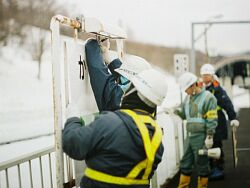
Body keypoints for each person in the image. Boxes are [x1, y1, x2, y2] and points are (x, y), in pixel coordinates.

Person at [62, 68, 168, 188]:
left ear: (135, 92)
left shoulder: (110, 122)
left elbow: (73, 143)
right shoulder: (156, 136)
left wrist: (72, 119)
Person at [176, 72, 218, 188]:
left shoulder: (208, 97)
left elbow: (212, 119)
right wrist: (174, 112)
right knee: (185, 163)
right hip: (189, 136)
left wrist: (209, 136)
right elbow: (185, 115)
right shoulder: (188, 98)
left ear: (193, 85)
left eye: (186, 89)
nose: (185, 92)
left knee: (202, 164)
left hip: (201, 136)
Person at [85, 39, 151, 111]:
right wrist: (110, 61)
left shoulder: (114, 98)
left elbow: (98, 71)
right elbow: (127, 76)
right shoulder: (147, 99)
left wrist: (93, 43)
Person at [200, 63, 240, 180]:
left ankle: (218, 168)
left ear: (212, 76)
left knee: (216, 145)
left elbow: (227, 103)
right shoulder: (199, 88)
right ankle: (208, 168)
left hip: (217, 122)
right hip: (203, 122)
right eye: (204, 76)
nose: (205, 78)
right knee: (206, 146)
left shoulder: (217, 89)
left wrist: (233, 118)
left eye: (207, 76)